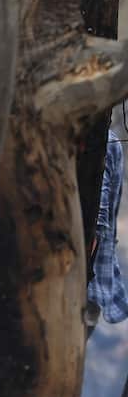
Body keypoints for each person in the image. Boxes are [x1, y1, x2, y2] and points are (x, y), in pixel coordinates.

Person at [89, 120, 127, 331]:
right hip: (93, 287)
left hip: (80, 285)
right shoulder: (111, 142)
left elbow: (98, 220)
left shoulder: (100, 143)